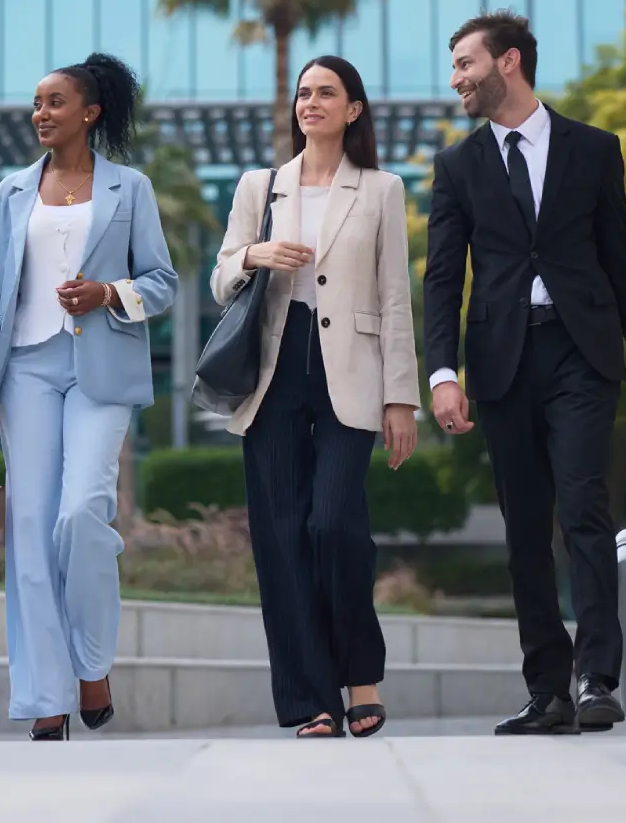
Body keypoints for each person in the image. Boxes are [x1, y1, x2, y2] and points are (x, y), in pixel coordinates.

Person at [423, 10, 626, 735]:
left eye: (465, 65)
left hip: (582, 350)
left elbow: (621, 261)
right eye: (453, 69)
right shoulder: (458, 166)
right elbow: (442, 280)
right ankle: (549, 690)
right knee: (524, 530)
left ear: (508, 62)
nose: (456, 81)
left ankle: (598, 676)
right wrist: (441, 372)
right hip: (502, 362)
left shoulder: (594, 150)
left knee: (584, 509)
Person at [0, 52, 177, 741]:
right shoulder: (9, 193)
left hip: (101, 367)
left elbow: (164, 282)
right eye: (36, 102)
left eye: (55, 102)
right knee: (28, 530)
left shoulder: (130, 188)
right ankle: (42, 694)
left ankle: (91, 664)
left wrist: (110, 293)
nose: (41, 114)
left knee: (82, 512)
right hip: (24, 367)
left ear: (89, 112)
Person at [209, 55, 421, 739]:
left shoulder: (382, 188)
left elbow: (395, 298)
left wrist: (402, 399)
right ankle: (311, 700)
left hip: (351, 371)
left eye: (326, 92)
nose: (311, 102)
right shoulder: (261, 185)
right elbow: (220, 277)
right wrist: (254, 257)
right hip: (274, 369)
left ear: (353, 108)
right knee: (279, 536)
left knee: (335, 525)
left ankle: (362, 676)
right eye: (304, 92)